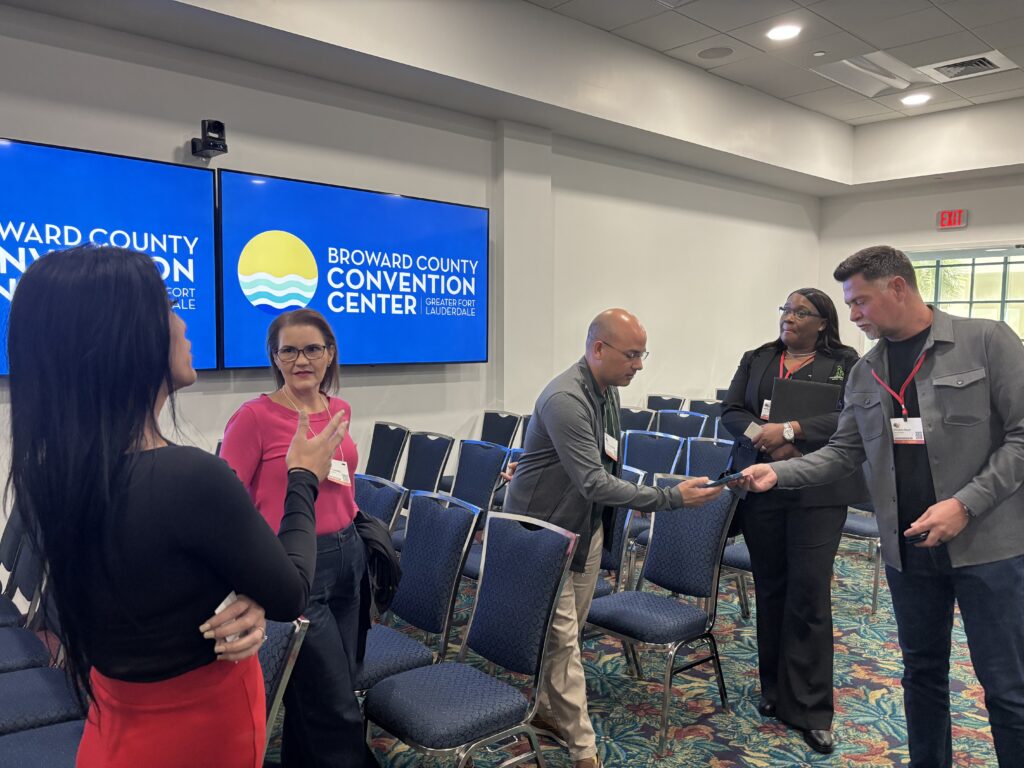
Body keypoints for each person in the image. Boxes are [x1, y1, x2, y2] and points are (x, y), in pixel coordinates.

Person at [6, 245, 345, 768]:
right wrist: (302, 476)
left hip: (115, 721)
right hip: (199, 730)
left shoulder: (51, 474)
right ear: (125, 339)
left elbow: (158, 581)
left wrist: (245, 591)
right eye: (167, 308)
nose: (183, 324)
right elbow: (292, 592)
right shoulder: (188, 476)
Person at [739, 245, 1024, 767]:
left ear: (898, 287)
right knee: (922, 676)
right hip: (909, 550)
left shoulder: (987, 341)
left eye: (860, 302)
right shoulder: (866, 371)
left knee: (1008, 688)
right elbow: (844, 453)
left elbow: (1022, 437)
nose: (852, 316)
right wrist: (778, 473)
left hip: (989, 550)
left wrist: (964, 504)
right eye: (849, 304)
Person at [503, 308, 723, 768]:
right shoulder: (566, 398)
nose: (639, 365)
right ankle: (585, 752)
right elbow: (592, 481)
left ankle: (545, 711)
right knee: (563, 641)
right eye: (632, 355)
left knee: (564, 635)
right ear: (598, 349)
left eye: (643, 355)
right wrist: (668, 498)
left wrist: (627, 503)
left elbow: (604, 465)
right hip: (542, 536)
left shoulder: (606, 392)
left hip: (584, 530)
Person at [220, 308, 376, 768]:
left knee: (331, 684)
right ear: (275, 357)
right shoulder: (253, 418)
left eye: (311, 349)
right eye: (288, 350)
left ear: (330, 354)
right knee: (335, 704)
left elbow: (344, 481)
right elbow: (227, 505)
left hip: (349, 555)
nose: (301, 360)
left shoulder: (338, 409)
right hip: (298, 565)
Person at [721, 287, 866, 754]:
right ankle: (775, 689)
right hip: (761, 486)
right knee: (771, 588)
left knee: (808, 592)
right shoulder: (759, 358)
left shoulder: (846, 363)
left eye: (801, 312)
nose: (789, 317)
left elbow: (848, 417)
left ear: (822, 322)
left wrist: (792, 434)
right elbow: (731, 411)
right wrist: (762, 437)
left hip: (818, 494)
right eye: (785, 309)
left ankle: (811, 708)